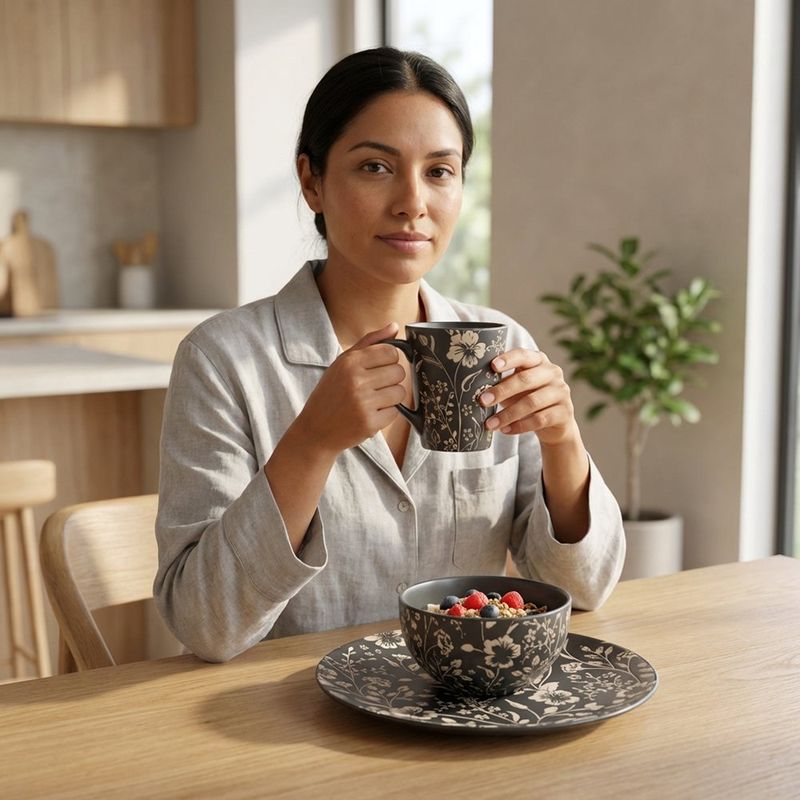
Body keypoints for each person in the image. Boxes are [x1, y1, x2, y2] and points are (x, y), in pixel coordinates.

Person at [154, 47, 625, 663]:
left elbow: (584, 591)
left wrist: (564, 443)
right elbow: (204, 624)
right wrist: (312, 441)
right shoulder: (222, 361)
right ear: (311, 181)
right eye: (376, 167)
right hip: (287, 722)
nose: (413, 202)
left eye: (439, 171)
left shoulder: (501, 345)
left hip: (463, 712)